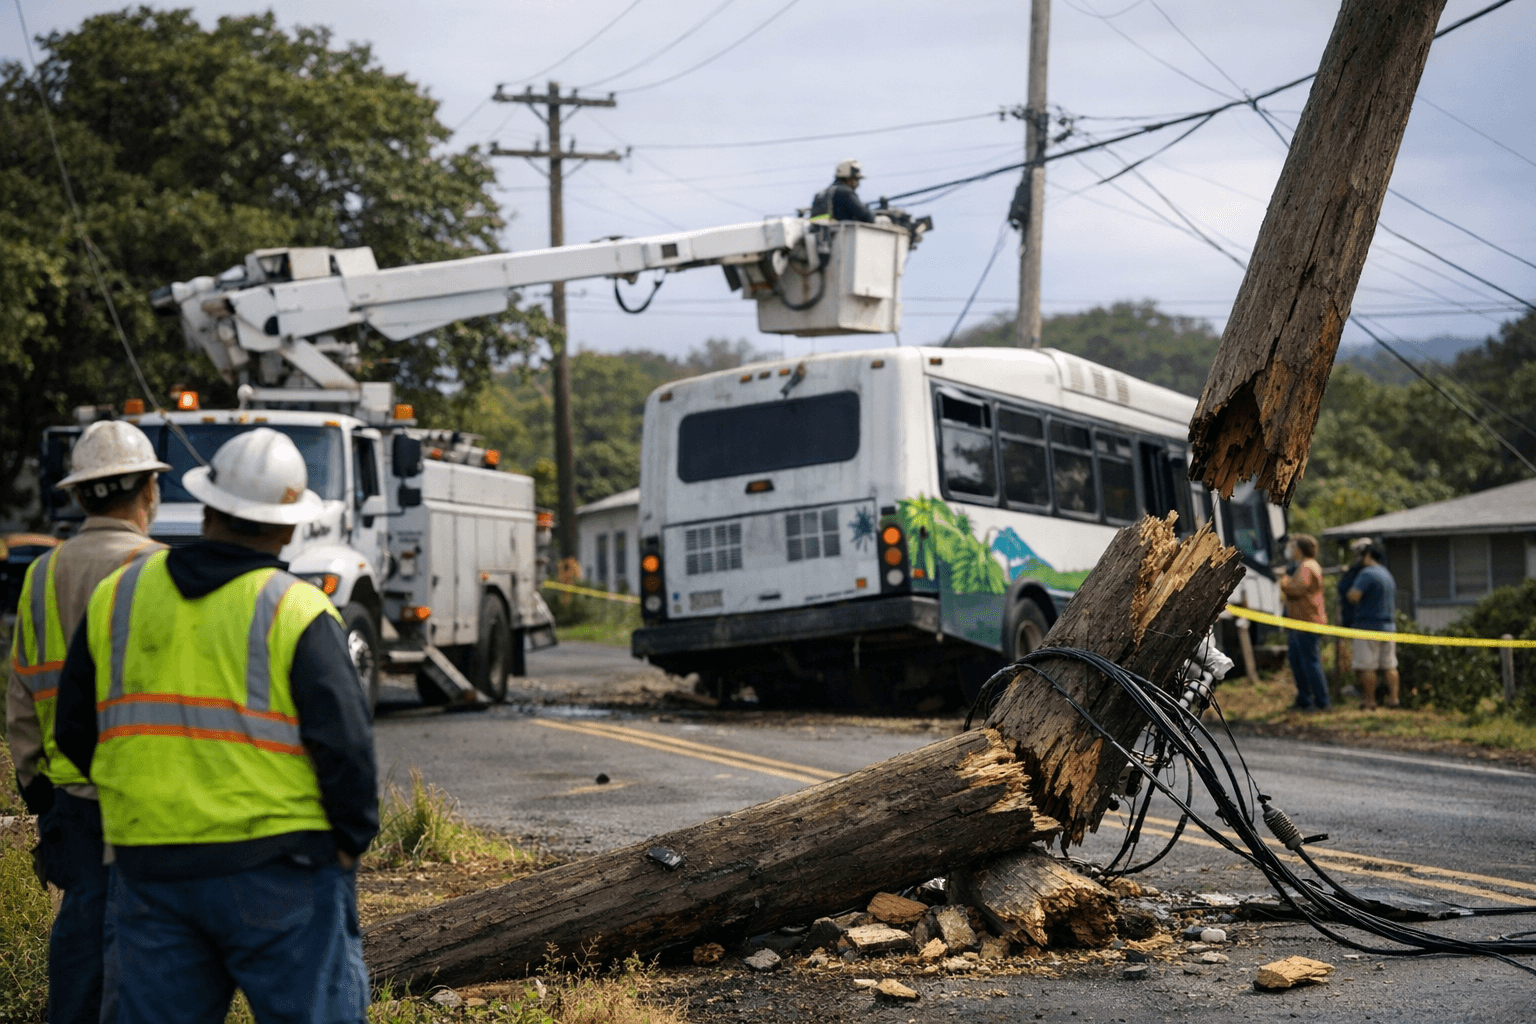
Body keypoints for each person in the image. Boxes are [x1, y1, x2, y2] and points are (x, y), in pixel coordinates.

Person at [54, 427, 378, 1024]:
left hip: (151, 871)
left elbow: (72, 729)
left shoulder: (117, 596)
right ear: (289, 526)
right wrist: (348, 841)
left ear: (207, 509)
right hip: (284, 872)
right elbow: (348, 752)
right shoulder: (297, 608)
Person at [7, 419, 169, 1024]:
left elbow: (21, 695)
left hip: (69, 793)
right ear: (149, 491)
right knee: (147, 953)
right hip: (147, 798)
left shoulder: (42, 575)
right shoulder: (159, 572)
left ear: (78, 494)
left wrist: (38, 791)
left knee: (79, 942)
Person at [1278, 534, 1329, 710]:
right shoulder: (1300, 566)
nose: (1289, 549)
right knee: (1297, 662)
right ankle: (1304, 699)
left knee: (1310, 663)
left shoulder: (1307, 566)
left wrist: (1284, 581)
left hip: (1308, 622)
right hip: (1298, 622)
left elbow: (1297, 588)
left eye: (1292, 546)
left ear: (1298, 549)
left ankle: (1321, 702)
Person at [1346, 542, 1400, 709]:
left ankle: (1370, 702)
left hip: (1368, 626)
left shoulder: (1367, 574)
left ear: (1368, 556)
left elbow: (1354, 596)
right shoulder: (1387, 574)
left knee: (1366, 666)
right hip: (1389, 627)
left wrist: (1348, 591)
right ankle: (1393, 700)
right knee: (1390, 665)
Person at [810, 158, 877, 223]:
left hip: (821, 232)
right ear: (849, 178)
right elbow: (867, 217)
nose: (858, 183)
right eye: (857, 179)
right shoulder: (845, 193)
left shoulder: (822, 194)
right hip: (841, 232)